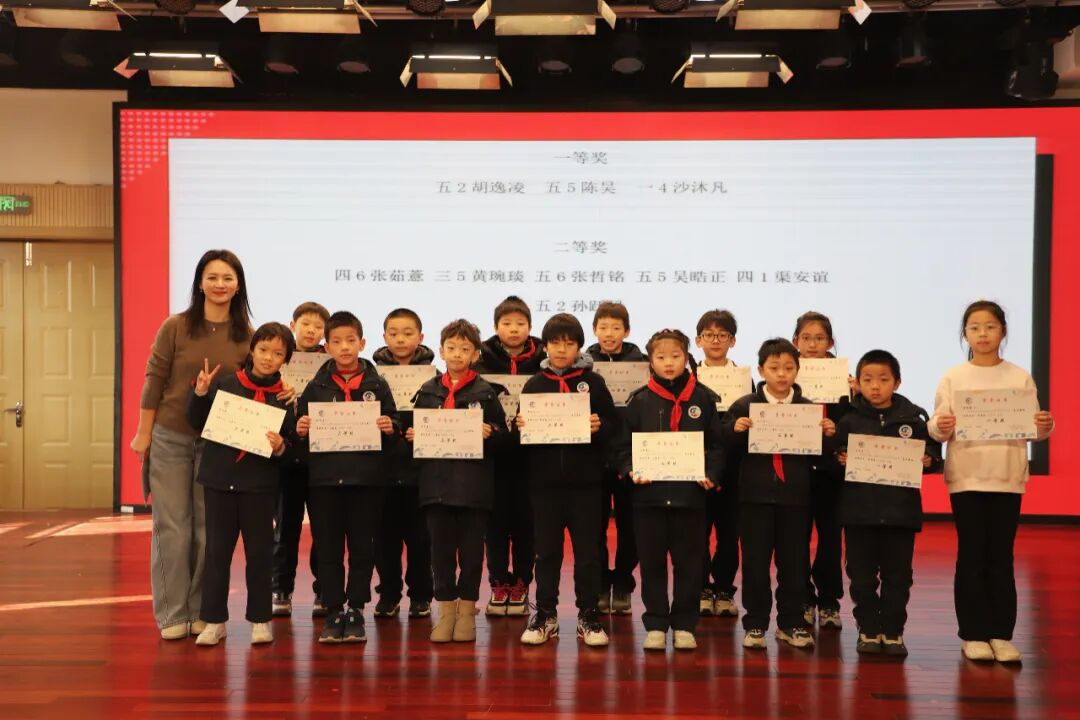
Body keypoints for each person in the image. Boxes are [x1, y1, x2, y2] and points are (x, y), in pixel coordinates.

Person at [132, 249, 263, 640]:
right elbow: (155, 380)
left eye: (228, 278)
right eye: (212, 277)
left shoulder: (248, 336)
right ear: (200, 283)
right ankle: (173, 614)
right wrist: (144, 433)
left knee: (210, 531)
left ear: (238, 286)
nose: (220, 284)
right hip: (170, 437)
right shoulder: (175, 326)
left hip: (220, 444)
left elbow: (257, 387)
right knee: (172, 527)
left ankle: (203, 611)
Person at [928, 300, 1054, 664]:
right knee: (971, 554)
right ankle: (972, 634)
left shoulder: (1019, 377)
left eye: (990, 327)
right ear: (965, 334)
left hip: (1007, 476)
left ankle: (1001, 634)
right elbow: (937, 426)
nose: (982, 334)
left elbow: (1032, 428)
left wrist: (1044, 426)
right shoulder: (954, 377)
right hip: (967, 476)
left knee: (1001, 556)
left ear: (1003, 331)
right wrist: (940, 426)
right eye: (974, 328)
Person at [724, 338, 836, 651]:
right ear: (761, 370)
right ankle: (756, 623)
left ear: (798, 370)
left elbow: (821, 456)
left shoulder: (808, 409)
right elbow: (725, 445)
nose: (782, 374)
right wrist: (734, 430)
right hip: (754, 498)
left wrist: (828, 436)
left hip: (795, 498)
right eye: (774, 368)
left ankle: (791, 623)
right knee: (755, 564)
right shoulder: (744, 406)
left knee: (795, 564)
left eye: (788, 367)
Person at [188, 323, 296, 647]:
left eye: (277, 353)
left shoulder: (286, 396)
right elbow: (197, 422)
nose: (268, 358)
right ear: (252, 350)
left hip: (259, 486)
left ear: (285, 359)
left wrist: (281, 446)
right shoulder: (226, 384)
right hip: (220, 481)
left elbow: (292, 446)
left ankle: (260, 619)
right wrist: (200, 393)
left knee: (260, 554)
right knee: (217, 553)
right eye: (263, 350)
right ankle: (214, 621)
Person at [295, 311, 400, 644]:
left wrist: (390, 427)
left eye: (350, 341)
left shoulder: (377, 384)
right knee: (327, 548)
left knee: (361, 548)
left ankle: (355, 609)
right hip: (324, 482)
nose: (344, 347)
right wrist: (301, 428)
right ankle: (333, 609)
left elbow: (394, 425)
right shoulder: (316, 386)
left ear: (362, 343)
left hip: (367, 481)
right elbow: (299, 430)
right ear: (326, 347)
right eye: (337, 342)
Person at [518, 313, 618, 647]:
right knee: (546, 553)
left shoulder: (594, 383)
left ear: (579, 346)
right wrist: (520, 426)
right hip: (544, 485)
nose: (562, 349)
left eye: (569, 343)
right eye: (555, 342)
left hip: (586, 485)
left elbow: (614, 425)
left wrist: (599, 426)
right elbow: (522, 436)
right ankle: (545, 615)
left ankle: (588, 615)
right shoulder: (534, 384)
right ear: (544, 346)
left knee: (588, 553)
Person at [833, 349, 941, 657]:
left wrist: (929, 459)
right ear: (858, 383)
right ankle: (868, 629)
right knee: (861, 575)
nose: (875, 386)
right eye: (868, 380)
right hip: (859, 513)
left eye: (883, 379)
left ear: (897, 382)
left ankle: (893, 631)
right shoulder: (849, 419)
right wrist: (839, 457)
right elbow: (833, 454)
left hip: (900, 514)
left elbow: (933, 454)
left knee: (899, 576)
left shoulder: (914, 419)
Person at [406, 319, 508, 643]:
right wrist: (412, 436)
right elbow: (414, 435)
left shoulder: (485, 392)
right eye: (451, 348)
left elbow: (505, 439)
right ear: (441, 351)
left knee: (472, 554)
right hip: (435, 486)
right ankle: (446, 611)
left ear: (476, 354)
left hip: (474, 488)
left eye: (465, 349)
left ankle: (466, 612)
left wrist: (491, 433)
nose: (457, 354)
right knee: (441, 553)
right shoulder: (427, 391)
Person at [473, 295, 546, 617]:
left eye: (520, 323)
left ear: (530, 326)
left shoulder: (544, 361)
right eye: (507, 323)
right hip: (493, 456)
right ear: (495, 327)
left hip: (531, 457)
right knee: (495, 525)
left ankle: (521, 583)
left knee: (527, 525)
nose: (514, 329)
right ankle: (498, 582)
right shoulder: (480, 361)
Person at [586, 301, 644, 615]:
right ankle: (598, 584)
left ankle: (622, 582)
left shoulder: (643, 364)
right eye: (603, 327)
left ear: (627, 331)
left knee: (630, 525)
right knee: (593, 525)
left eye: (616, 328)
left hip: (632, 454)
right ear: (595, 330)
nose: (609, 334)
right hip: (593, 455)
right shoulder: (584, 365)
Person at [272, 301, 329, 619]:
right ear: (293, 325)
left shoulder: (330, 362)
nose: (311, 330)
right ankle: (281, 589)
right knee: (286, 527)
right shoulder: (278, 359)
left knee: (324, 529)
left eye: (318, 327)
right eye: (306, 323)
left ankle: (324, 590)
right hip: (286, 457)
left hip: (321, 458)